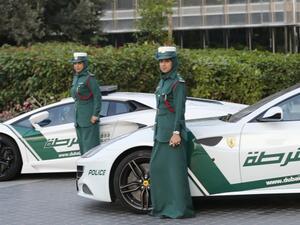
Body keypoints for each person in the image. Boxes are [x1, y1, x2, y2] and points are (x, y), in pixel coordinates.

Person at [149, 46, 194, 218]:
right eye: (161, 61)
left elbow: (179, 110)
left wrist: (176, 132)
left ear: (173, 62)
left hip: (172, 135)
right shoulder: (162, 82)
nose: (163, 64)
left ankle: (179, 209)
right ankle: (162, 207)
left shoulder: (178, 83)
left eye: (167, 61)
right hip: (161, 133)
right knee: (157, 169)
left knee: (175, 174)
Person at [70, 52, 102, 155]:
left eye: (79, 63)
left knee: (91, 150)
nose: (77, 66)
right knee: (83, 150)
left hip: (89, 119)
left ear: (85, 64)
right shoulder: (76, 78)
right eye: (75, 63)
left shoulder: (89, 78)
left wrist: (95, 115)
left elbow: (98, 97)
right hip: (79, 119)